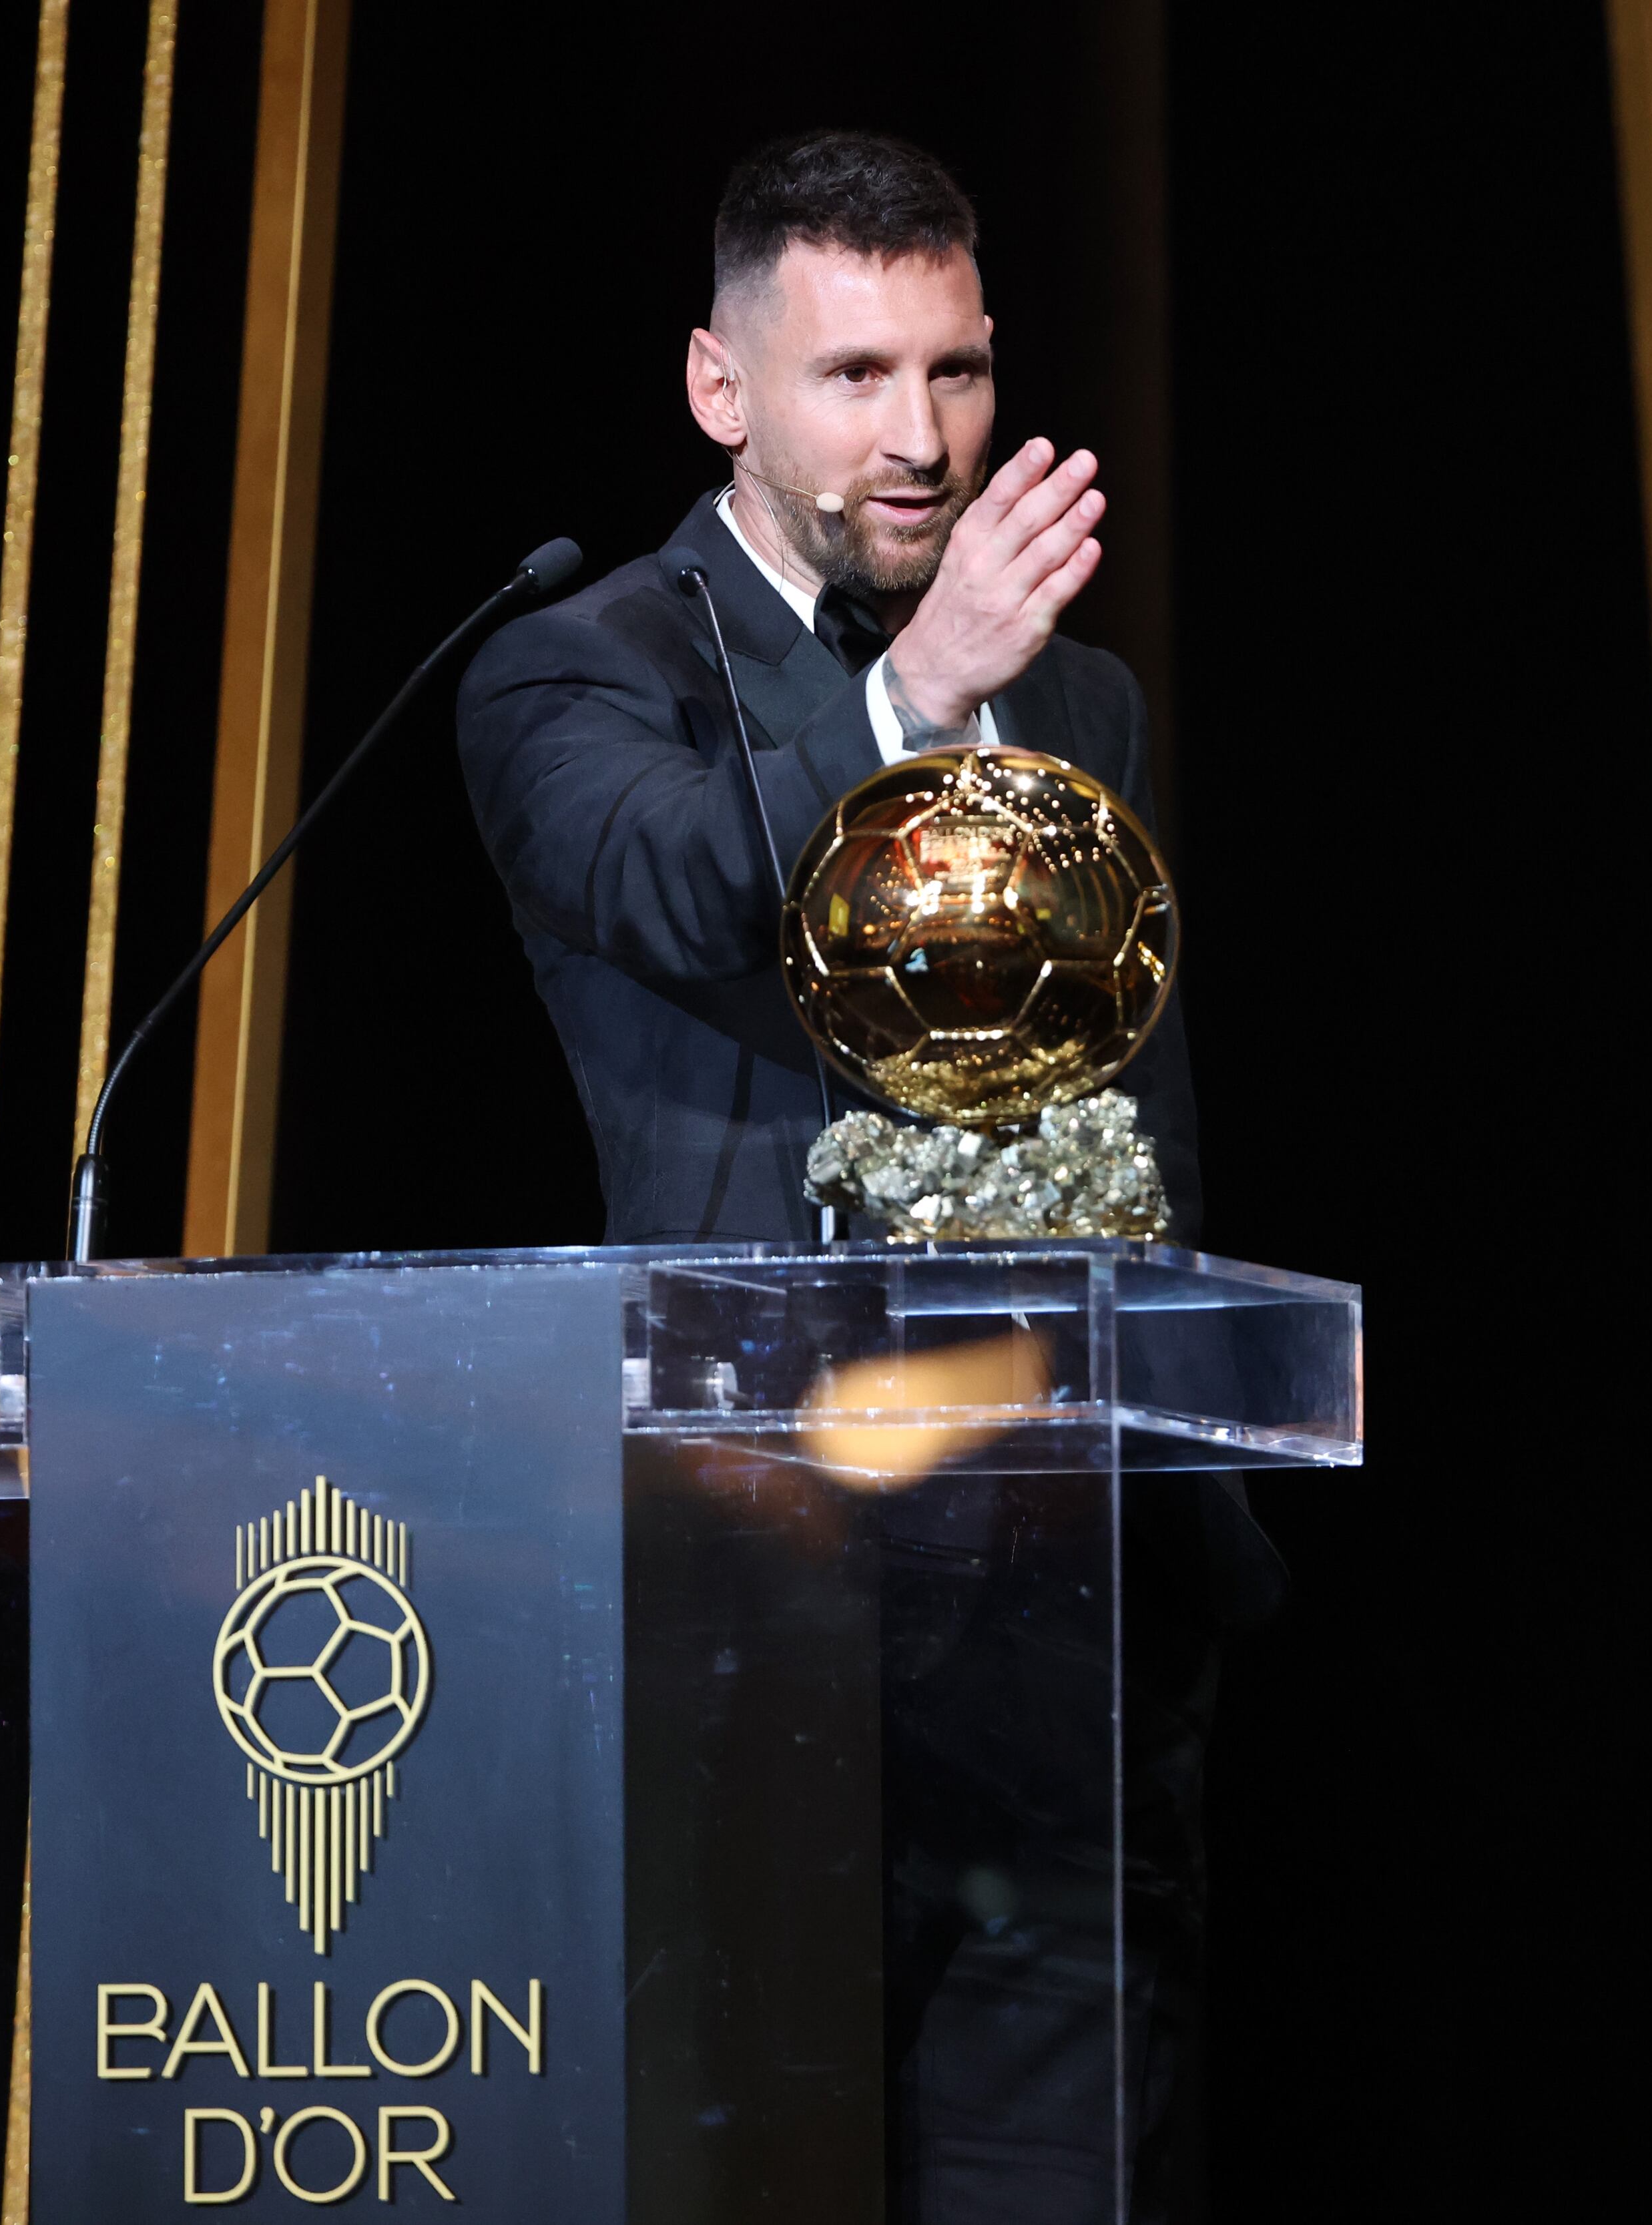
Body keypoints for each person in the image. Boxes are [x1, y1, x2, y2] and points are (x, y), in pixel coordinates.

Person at [459, 131, 1264, 2223]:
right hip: (750, 1594)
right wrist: (916, 701)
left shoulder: (1076, 691)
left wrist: (1182, 1475)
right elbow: (676, 881)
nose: (922, 439)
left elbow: (1132, 1102)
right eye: (855, 379)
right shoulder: (580, 663)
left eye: (960, 373)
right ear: (725, 389)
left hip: (1054, 1610)